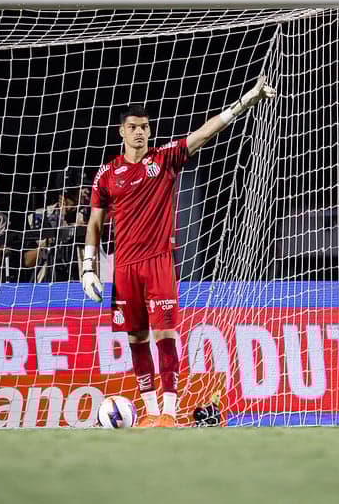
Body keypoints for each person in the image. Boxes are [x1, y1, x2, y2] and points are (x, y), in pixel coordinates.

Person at [82, 74, 275, 428]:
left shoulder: (166, 159)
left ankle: (169, 412)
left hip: (159, 264)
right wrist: (88, 267)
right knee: (136, 337)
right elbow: (94, 224)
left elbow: (203, 133)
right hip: (124, 269)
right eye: (133, 127)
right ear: (121, 132)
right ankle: (151, 413)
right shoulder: (107, 175)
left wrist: (245, 101)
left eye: (145, 126)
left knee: (164, 334)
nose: (140, 132)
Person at [21, 167, 91, 282]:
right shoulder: (40, 216)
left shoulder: (89, 217)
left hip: (80, 282)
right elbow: (27, 261)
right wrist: (58, 228)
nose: (87, 191)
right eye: (82, 187)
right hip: (47, 282)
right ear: (69, 189)